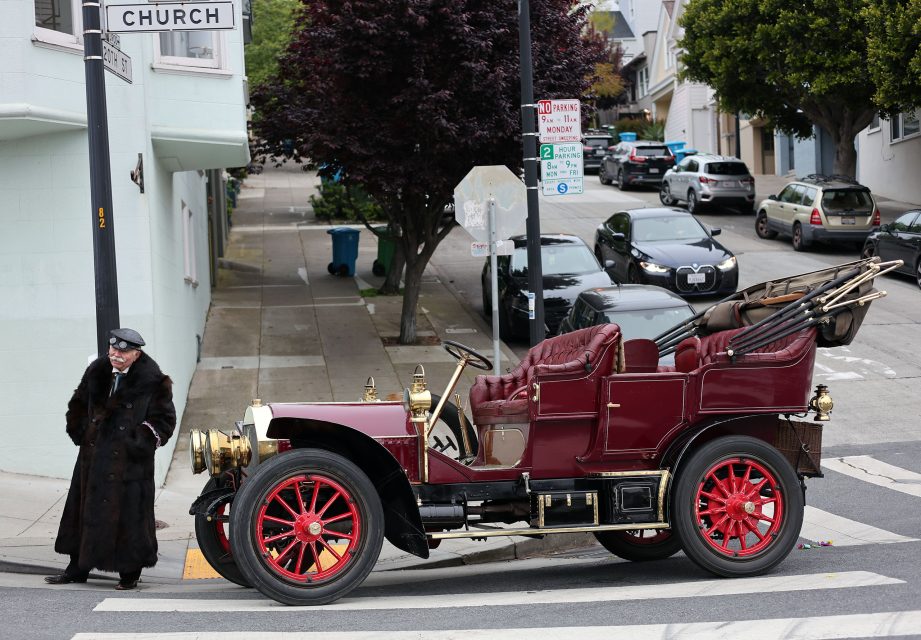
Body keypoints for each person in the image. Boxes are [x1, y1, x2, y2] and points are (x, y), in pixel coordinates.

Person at [45, 328, 176, 590]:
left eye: (123, 351)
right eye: (113, 349)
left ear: (136, 354)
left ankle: (130, 573)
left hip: (129, 466)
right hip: (91, 460)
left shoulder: (154, 382)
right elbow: (79, 404)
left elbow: (164, 422)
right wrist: (80, 431)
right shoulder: (97, 371)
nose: (116, 355)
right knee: (84, 511)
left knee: (129, 518)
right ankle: (77, 568)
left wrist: (135, 442)